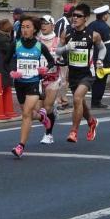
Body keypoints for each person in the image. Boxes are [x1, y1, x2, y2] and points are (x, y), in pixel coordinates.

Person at [55, 3, 105, 143]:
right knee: (80, 103)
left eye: (79, 16)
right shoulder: (67, 33)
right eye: (73, 16)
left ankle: (73, 131)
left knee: (77, 98)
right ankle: (91, 121)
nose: (75, 18)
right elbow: (57, 51)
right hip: (73, 74)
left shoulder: (93, 35)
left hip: (87, 74)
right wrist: (66, 47)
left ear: (86, 18)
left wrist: (100, 60)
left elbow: (102, 49)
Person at [8, 17, 56, 158]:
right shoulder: (16, 44)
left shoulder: (39, 46)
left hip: (34, 82)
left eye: (28, 27)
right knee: (28, 113)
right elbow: (7, 61)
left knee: (26, 113)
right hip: (20, 83)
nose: (25, 30)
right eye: (22, 27)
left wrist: (44, 69)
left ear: (34, 29)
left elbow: (51, 62)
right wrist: (12, 71)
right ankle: (42, 117)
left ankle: (20, 146)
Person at [37, 15, 62, 144]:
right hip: (38, 79)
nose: (43, 26)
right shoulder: (36, 40)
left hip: (53, 79)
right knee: (37, 111)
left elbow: (65, 59)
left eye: (46, 23)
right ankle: (53, 112)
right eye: (42, 23)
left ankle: (48, 134)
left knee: (46, 107)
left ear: (53, 26)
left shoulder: (58, 41)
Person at [88, 4, 110, 109]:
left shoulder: (91, 25)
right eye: (107, 14)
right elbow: (108, 46)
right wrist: (109, 62)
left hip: (90, 59)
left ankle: (94, 101)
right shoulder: (106, 28)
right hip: (101, 59)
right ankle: (96, 102)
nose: (107, 16)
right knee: (101, 81)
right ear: (104, 16)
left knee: (93, 80)